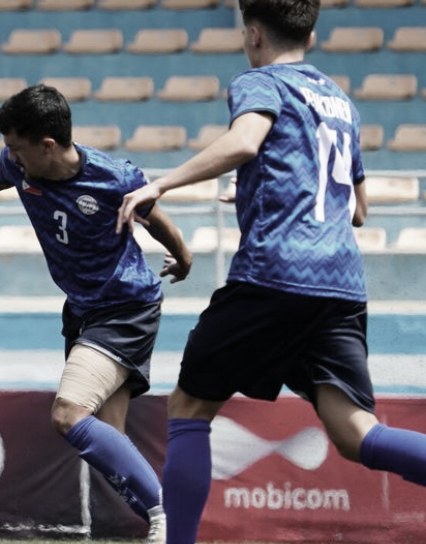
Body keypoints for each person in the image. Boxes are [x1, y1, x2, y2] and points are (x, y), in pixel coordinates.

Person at [115, 1, 426, 543]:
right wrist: (266, 186)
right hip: (341, 282)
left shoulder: (262, 83)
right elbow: (357, 209)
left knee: (190, 406)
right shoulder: (340, 101)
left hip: (276, 273)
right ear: (312, 30)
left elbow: (244, 142)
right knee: (357, 434)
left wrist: (160, 184)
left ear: (253, 34)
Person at [0, 84, 193, 544]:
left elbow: (154, 215)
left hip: (125, 309)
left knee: (68, 414)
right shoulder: (21, 165)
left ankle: (167, 513)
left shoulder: (114, 178)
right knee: (106, 437)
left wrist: (183, 255)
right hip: (82, 312)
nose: (8, 155)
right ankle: (162, 526)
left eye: (15, 146)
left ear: (48, 145)